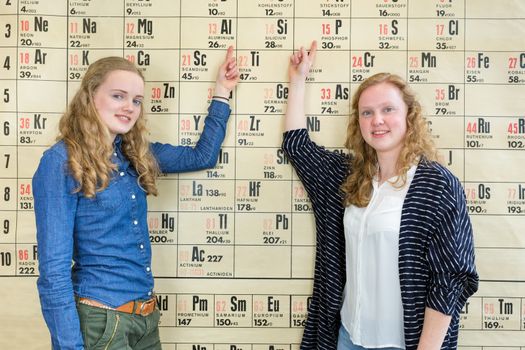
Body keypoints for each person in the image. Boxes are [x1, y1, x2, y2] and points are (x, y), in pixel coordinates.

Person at [33, 47, 239, 350]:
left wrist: (222, 92)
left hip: (145, 319)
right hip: (101, 321)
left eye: (137, 100)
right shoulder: (61, 161)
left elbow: (203, 156)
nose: (129, 107)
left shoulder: (134, 154)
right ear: (90, 96)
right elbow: (53, 272)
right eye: (118, 96)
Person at [282, 41, 478, 350]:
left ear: (408, 115)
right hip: (347, 337)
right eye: (367, 112)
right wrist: (298, 79)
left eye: (388, 109)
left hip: (403, 343)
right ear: (358, 122)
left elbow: (451, 278)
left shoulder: (437, 185)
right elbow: (297, 147)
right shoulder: (348, 176)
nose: (377, 120)